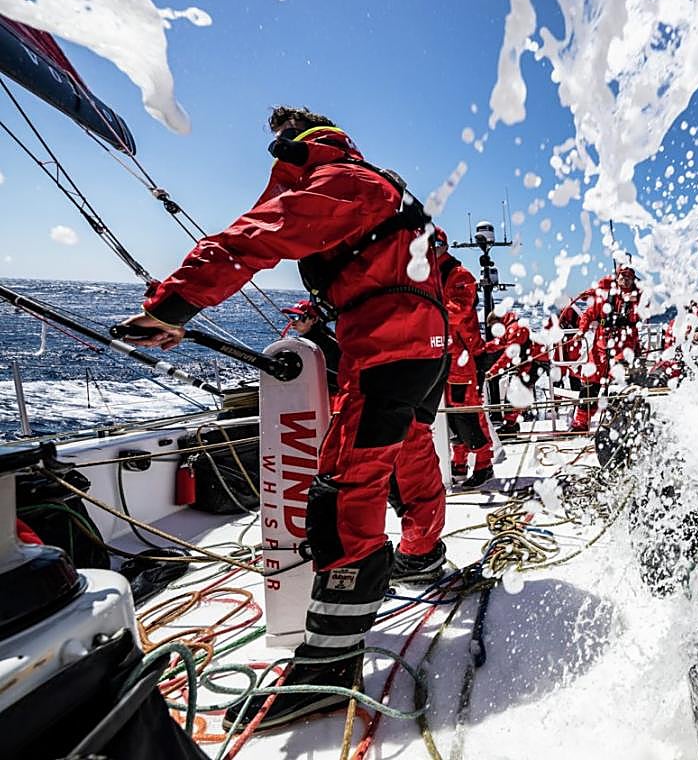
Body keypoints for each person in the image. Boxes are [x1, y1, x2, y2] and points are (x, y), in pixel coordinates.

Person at [118, 106, 449, 731]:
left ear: (299, 149)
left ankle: (328, 668)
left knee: (343, 495)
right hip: (420, 351)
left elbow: (259, 236)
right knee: (402, 464)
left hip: (384, 354)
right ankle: (421, 557)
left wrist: (174, 305)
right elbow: (418, 273)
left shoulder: (343, 183)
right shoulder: (387, 191)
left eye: (279, 151)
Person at [433, 227, 494, 488]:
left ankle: (484, 464)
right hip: (437, 354)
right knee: (445, 413)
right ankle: (458, 462)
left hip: (462, 358)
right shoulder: (423, 275)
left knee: (466, 411)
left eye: (435, 243)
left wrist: (423, 318)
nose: (430, 249)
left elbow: (455, 312)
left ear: (444, 245)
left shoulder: (460, 275)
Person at [569, 265, 641, 432]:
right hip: (601, 346)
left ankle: (615, 424)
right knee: (589, 383)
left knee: (618, 383)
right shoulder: (604, 297)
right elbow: (588, 314)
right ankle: (581, 422)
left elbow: (645, 312)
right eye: (622, 275)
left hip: (624, 346)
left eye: (629, 276)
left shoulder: (638, 298)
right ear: (617, 277)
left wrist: (634, 302)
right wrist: (581, 331)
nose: (625, 279)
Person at [483, 310, 549, 436]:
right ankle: (512, 423)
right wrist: (483, 348)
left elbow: (508, 354)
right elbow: (500, 343)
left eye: (493, 326)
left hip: (536, 362)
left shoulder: (515, 329)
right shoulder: (512, 327)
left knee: (516, 392)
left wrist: (492, 372)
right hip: (531, 361)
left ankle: (510, 426)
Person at [281, 299, 341, 393]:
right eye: (291, 317)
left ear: (313, 320)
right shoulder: (308, 340)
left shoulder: (327, 343)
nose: (292, 321)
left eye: (297, 317)